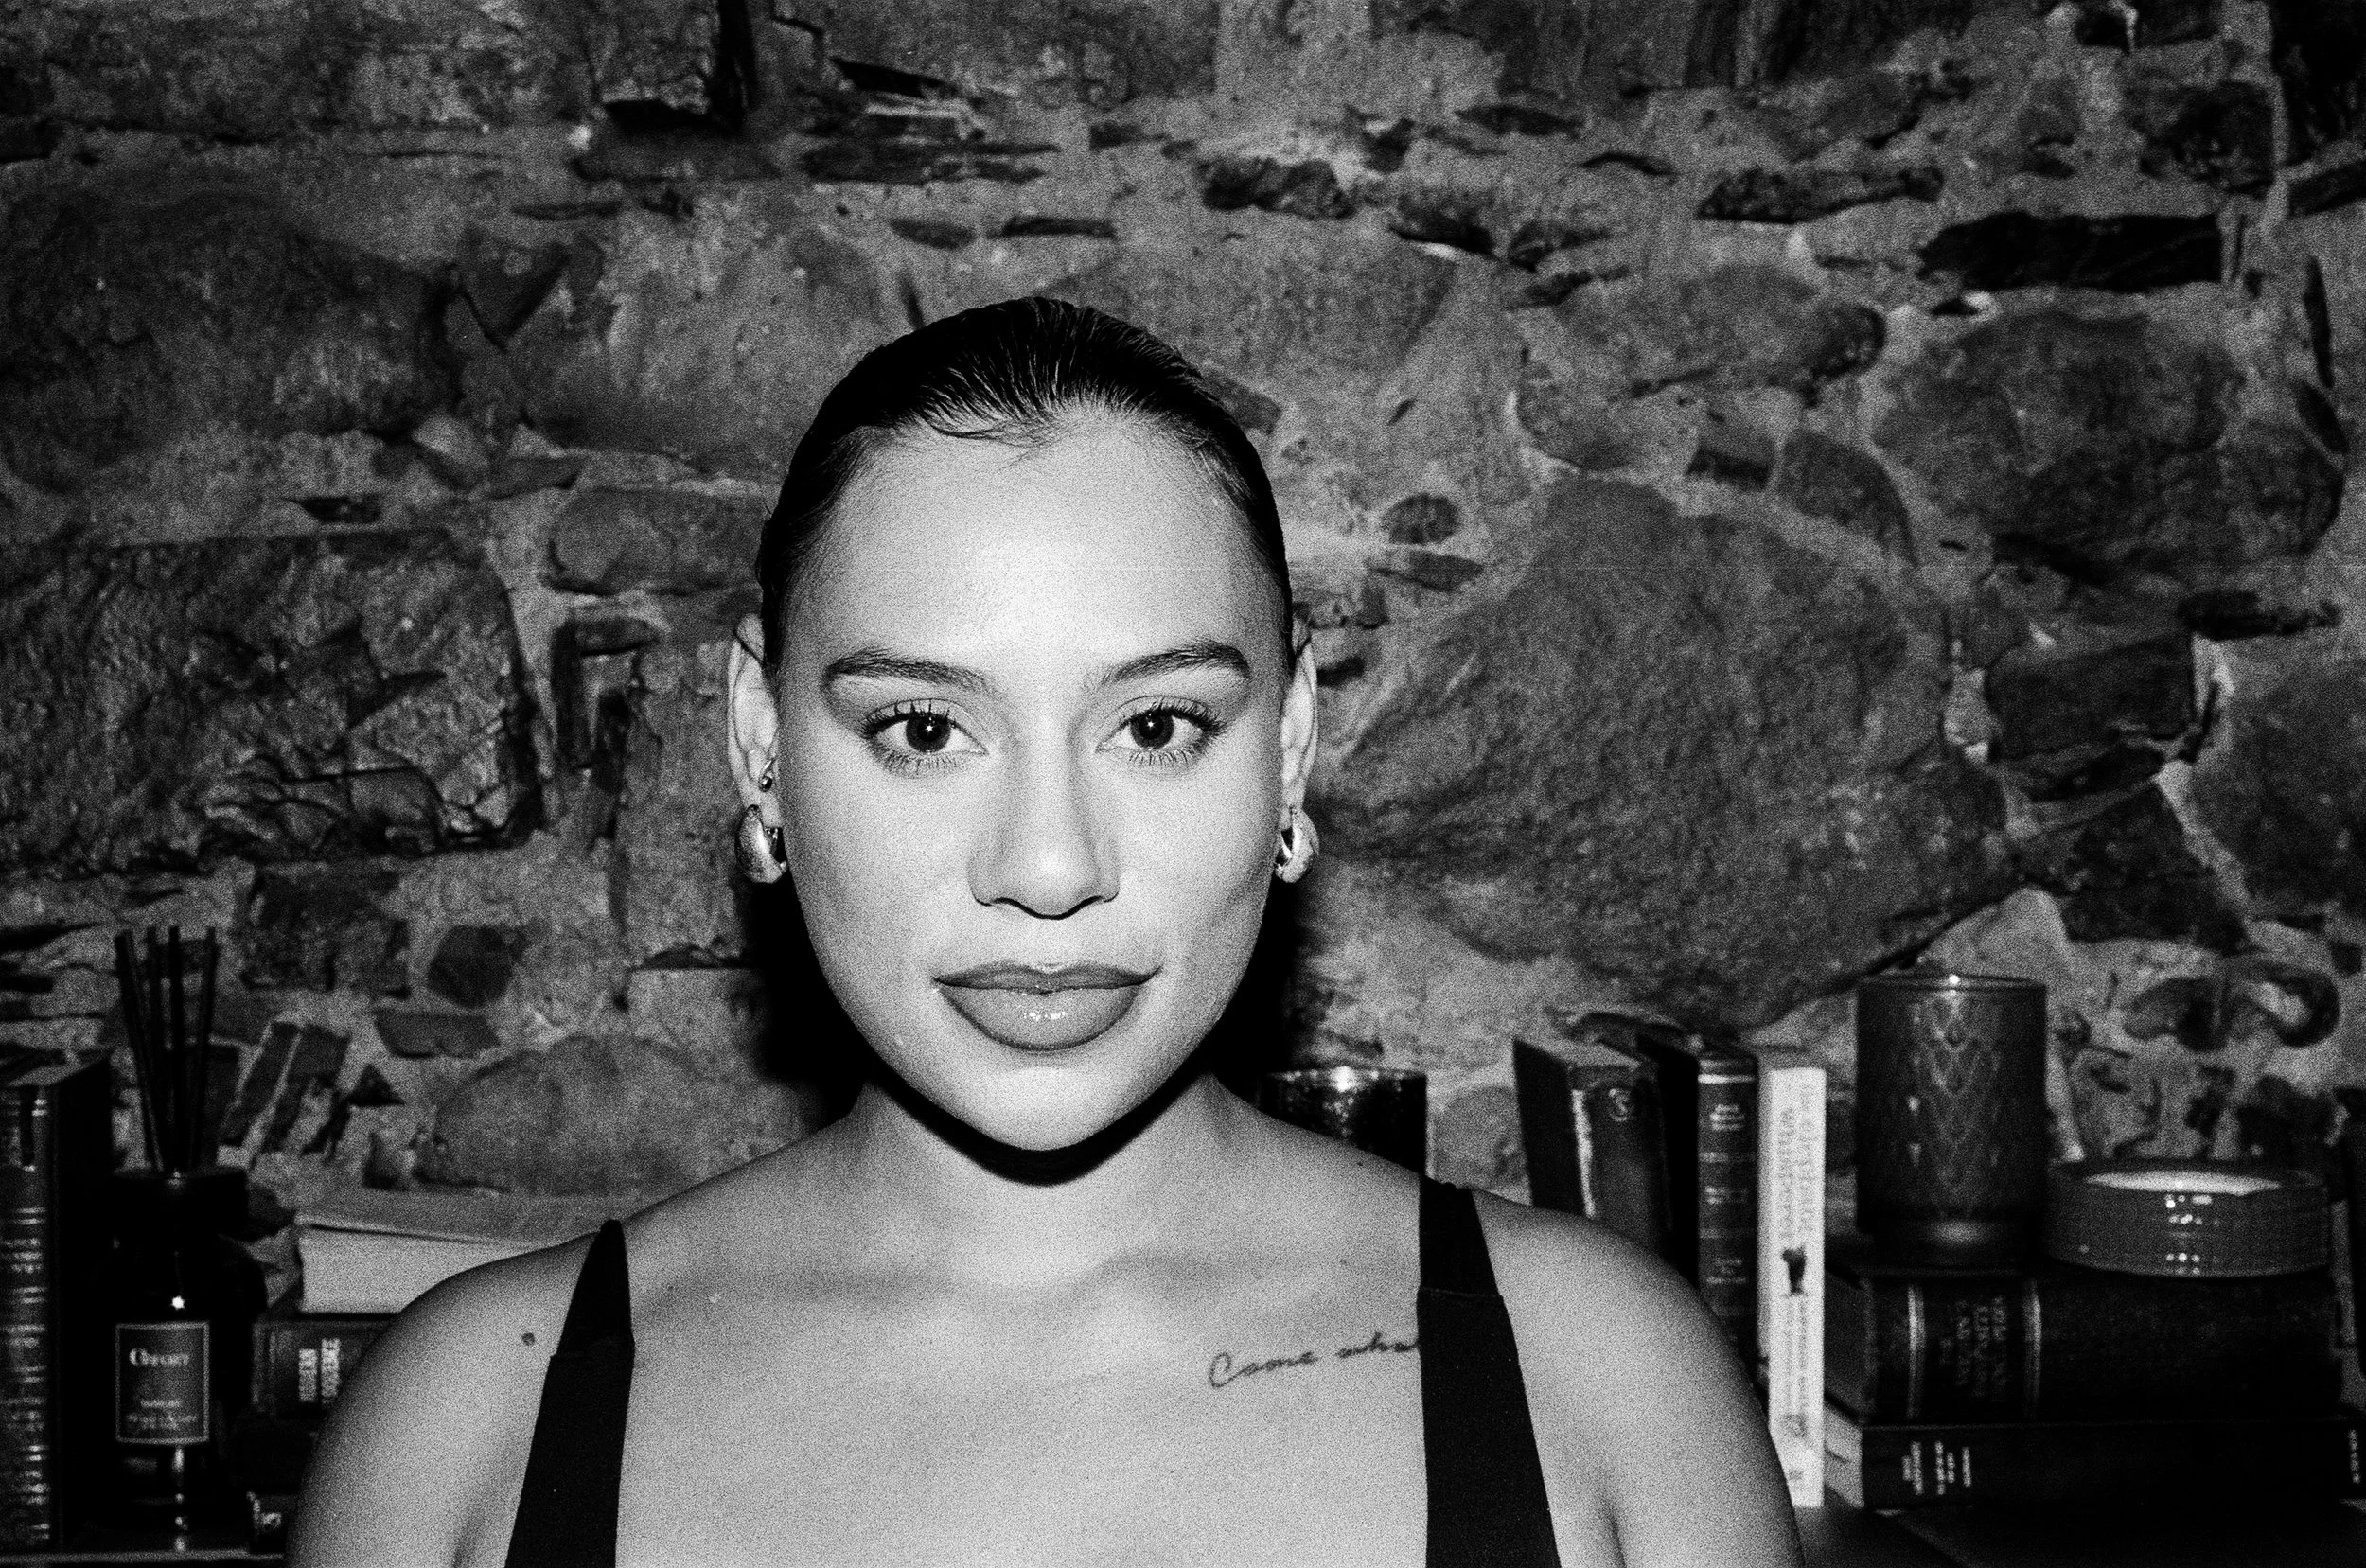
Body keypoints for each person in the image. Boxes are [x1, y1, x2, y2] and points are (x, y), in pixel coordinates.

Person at [292, 298, 1802, 1568]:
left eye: (1155, 726)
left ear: (1287, 750)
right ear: (759, 744)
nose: (1049, 867)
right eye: (923, 729)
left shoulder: (1609, 1393)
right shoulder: (461, 1435)